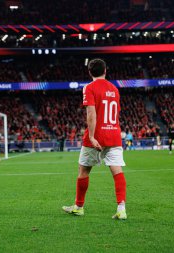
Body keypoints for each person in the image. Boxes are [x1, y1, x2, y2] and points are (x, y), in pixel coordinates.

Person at [62, 59, 127, 220]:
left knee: (83, 170)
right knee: (117, 171)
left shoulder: (89, 88)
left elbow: (91, 113)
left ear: (90, 72)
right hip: (114, 135)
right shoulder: (115, 89)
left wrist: (91, 136)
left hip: (96, 136)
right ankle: (121, 209)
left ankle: (78, 207)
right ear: (105, 70)